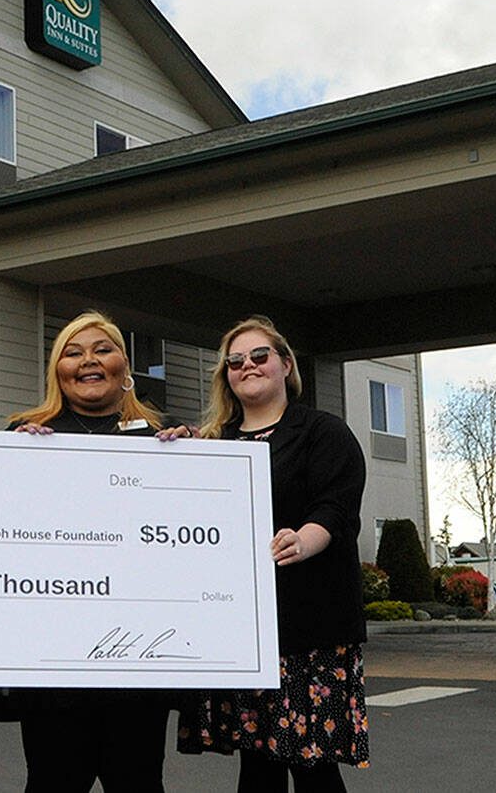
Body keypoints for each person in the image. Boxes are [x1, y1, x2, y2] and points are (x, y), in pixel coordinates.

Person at [0, 310, 175, 793]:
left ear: (125, 368)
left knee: (139, 783)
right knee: (53, 782)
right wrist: (13, 469)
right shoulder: (23, 438)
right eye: (73, 351)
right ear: (56, 369)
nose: (88, 361)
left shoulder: (166, 442)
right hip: (53, 662)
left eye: (102, 349)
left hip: (138, 657)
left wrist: (190, 460)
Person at [173, 315, 369, 791]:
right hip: (240, 629)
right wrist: (172, 458)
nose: (248, 366)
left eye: (259, 356)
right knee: (257, 765)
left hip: (309, 627)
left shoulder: (323, 432)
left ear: (285, 364)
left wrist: (305, 538)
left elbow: (336, 507)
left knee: (313, 766)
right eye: (235, 361)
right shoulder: (213, 443)